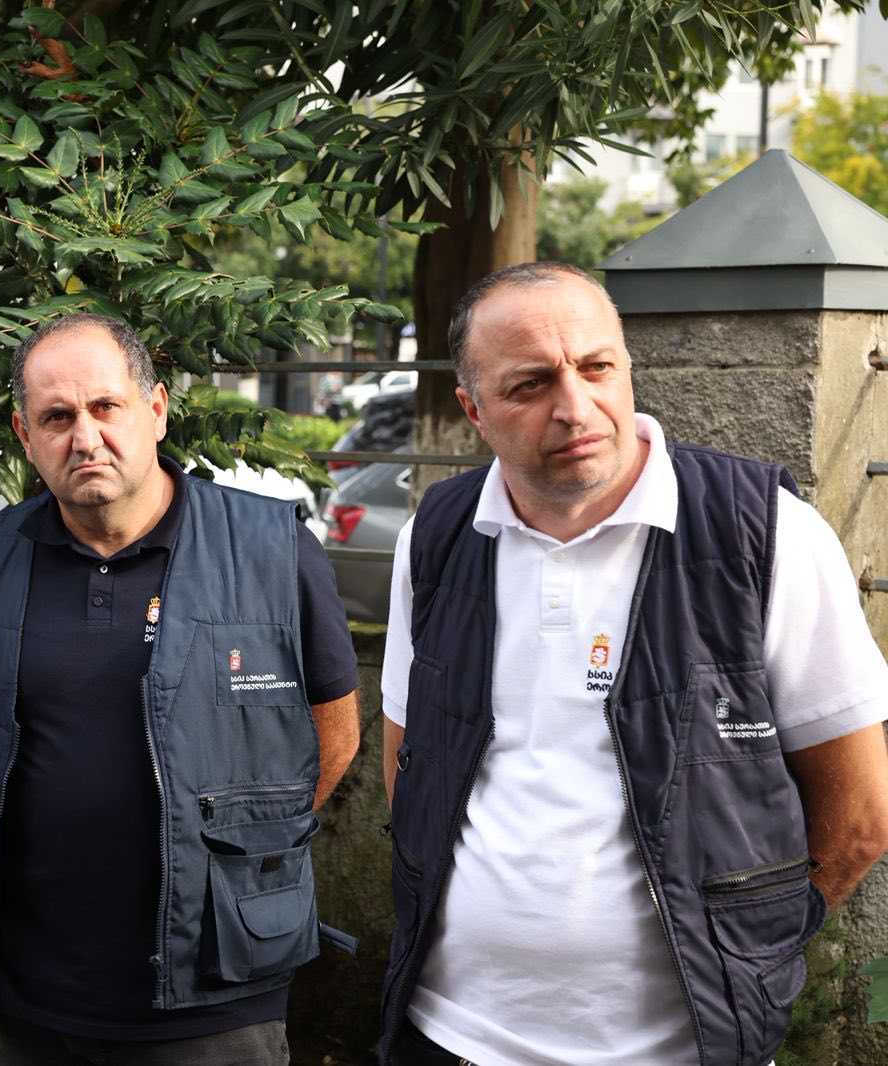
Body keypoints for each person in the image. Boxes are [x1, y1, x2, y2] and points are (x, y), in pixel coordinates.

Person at [379, 262, 888, 1066]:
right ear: (473, 410)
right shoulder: (438, 535)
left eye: (596, 367)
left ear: (627, 367)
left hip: (679, 1049)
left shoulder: (762, 534)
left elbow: (859, 813)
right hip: (448, 1032)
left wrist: (755, 957)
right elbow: (408, 763)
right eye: (530, 385)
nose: (574, 407)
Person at [0, 312, 361, 1065]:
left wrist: (240, 851)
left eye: (107, 406)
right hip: (32, 992)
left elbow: (335, 731)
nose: (85, 437)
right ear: (25, 435)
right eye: (56, 417)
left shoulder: (269, 549)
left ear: (156, 410)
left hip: (214, 989)